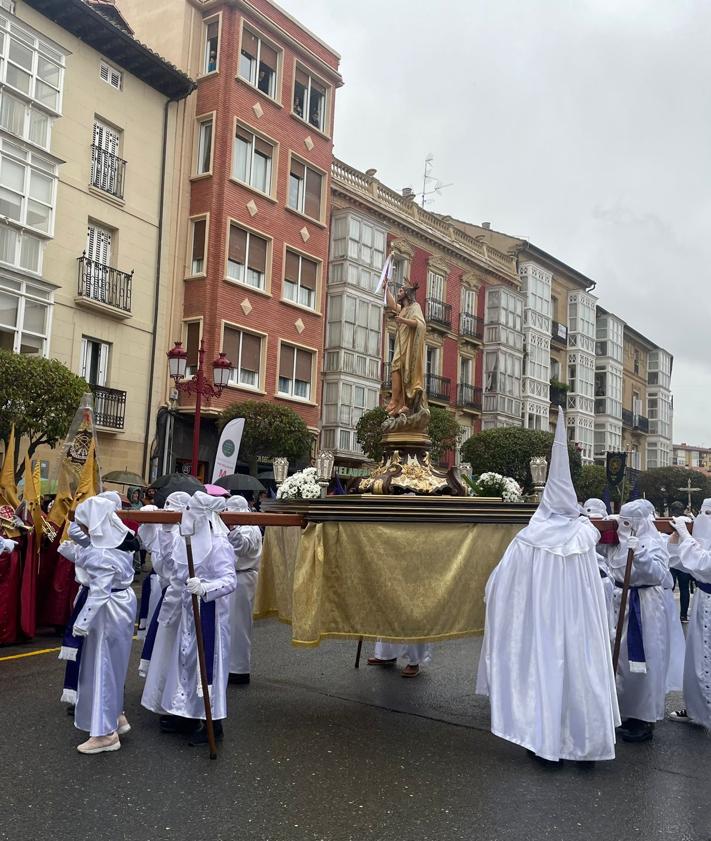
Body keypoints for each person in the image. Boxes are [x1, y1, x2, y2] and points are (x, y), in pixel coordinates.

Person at [476, 411, 619, 764]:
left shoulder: (528, 538)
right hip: (580, 624)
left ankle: (545, 740)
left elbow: (500, 584)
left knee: (546, 670)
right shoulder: (585, 534)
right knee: (579, 674)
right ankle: (584, 743)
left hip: (545, 623)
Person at [141, 491, 236, 745]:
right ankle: (184, 713)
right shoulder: (188, 542)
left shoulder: (219, 544)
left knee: (207, 667)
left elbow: (229, 580)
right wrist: (165, 531)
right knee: (184, 664)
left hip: (211, 616)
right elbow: (172, 567)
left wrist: (205, 587)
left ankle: (213, 724)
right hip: (188, 613)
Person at [58, 496, 137, 754]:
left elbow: (100, 592)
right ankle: (116, 716)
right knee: (113, 666)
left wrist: (80, 624)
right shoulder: (118, 539)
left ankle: (105, 733)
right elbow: (82, 541)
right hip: (121, 606)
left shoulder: (102, 551)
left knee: (101, 666)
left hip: (106, 610)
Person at [609, 500, 675, 743]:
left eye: (631, 522)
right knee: (620, 663)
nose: (626, 527)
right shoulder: (616, 540)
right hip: (619, 602)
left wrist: (640, 554)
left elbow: (658, 574)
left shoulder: (654, 542)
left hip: (645, 605)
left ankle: (644, 718)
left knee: (645, 661)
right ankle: (625, 712)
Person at [668, 501, 711, 727]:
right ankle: (697, 709)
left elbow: (705, 562)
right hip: (702, 601)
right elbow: (684, 562)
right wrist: (677, 541)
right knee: (696, 659)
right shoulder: (703, 538)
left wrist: (687, 538)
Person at [225, 494, 263, 685]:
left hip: (243, 577)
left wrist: (232, 530)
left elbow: (243, 546)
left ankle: (239, 669)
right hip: (234, 577)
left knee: (239, 626)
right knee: (228, 624)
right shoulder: (242, 524)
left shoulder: (249, 526)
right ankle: (228, 665)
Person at [384, 279, 427, 418]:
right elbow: (391, 304)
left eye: (401, 290)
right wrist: (386, 289)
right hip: (400, 344)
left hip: (408, 346)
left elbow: (419, 324)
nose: (399, 292)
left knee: (405, 371)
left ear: (407, 293)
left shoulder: (415, 307)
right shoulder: (402, 309)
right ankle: (394, 400)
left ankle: (405, 403)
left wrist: (403, 321)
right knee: (395, 367)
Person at [668, 501, 693, 621]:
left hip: (671, 560)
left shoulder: (669, 521)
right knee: (684, 588)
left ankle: (668, 613)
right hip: (684, 560)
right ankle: (683, 615)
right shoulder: (688, 521)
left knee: (668, 588)